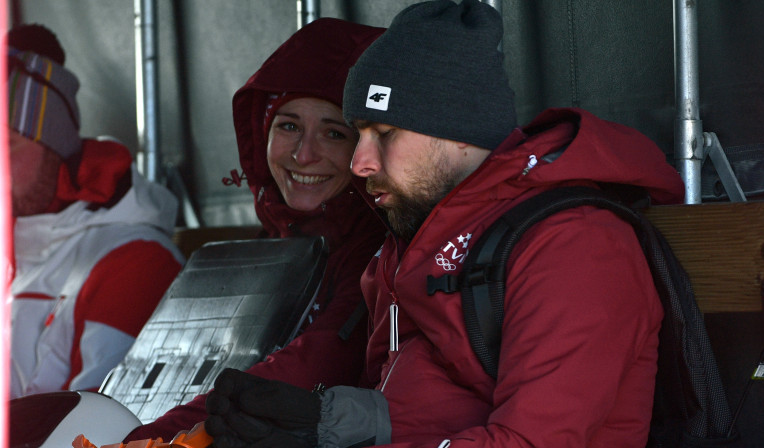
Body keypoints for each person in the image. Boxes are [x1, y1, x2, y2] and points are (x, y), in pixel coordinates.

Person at [201, 1, 687, 447]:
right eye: (359, 133)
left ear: (458, 134)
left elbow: (533, 441)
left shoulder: (574, 245)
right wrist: (324, 421)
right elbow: (430, 407)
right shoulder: (411, 238)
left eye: (384, 133)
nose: (360, 162)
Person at [124, 18, 386, 441]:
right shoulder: (263, 250)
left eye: (334, 133)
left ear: (370, 149)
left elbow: (314, 362)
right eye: (288, 126)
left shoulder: (377, 255)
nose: (304, 154)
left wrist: (140, 439)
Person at [8, 24, 185, 398]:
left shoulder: (135, 259)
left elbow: (102, 424)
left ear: (55, 147)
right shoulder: (13, 251)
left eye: (9, 145)